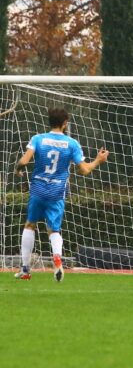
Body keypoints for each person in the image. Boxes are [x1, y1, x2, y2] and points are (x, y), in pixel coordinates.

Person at [14, 108, 109, 282]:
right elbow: (85, 170)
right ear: (65, 123)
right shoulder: (72, 143)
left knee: (30, 225)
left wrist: (18, 169)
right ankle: (57, 258)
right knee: (54, 230)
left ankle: (25, 270)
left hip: (38, 189)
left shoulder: (38, 139)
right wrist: (98, 160)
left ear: (49, 121)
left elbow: (24, 161)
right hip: (57, 192)